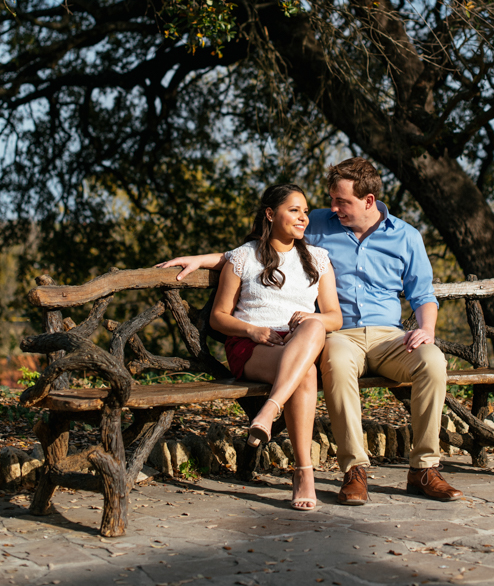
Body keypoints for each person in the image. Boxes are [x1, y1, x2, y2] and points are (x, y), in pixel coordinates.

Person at [158, 158, 462, 506]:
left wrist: (426, 329)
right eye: (330, 200)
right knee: (332, 360)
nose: (331, 208)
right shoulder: (317, 221)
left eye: (341, 202)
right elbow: (260, 245)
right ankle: (354, 472)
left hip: (389, 335)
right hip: (338, 335)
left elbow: (423, 295)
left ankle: (424, 468)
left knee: (433, 362)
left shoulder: (405, 236)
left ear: (369, 200)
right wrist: (202, 258)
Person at [158, 183, 341, 512]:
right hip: (254, 347)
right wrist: (253, 330)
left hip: (300, 340)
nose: (303, 218)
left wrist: (312, 318)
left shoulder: (318, 259)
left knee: (315, 325)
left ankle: (269, 412)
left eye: (305, 211)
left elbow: (335, 318)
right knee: (306, 375)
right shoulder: (243, 257)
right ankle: (304, 472)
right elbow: (218, 317)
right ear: (271, 214)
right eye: (294, 210)